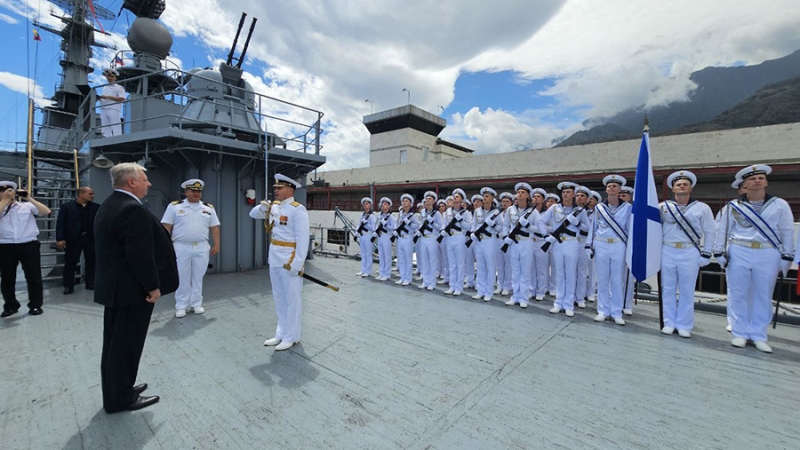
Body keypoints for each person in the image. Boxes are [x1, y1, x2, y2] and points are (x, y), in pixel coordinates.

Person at [94, 163, 178, 413]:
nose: (149, 184)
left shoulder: (109, 204)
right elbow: (139, 254)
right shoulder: (132, 209)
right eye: (144, 179)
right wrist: (152, 286)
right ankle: (120, 398)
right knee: (126, 346)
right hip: (132, 291)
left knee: (114, 344)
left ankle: (118, 389)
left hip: (116, 288)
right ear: (131, 182)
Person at [713, 164, 794, 353]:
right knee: (738, 292)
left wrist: (787, 255)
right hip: (740, 249)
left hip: (767, 251)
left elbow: (787, 231)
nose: (757, 181)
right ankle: (740, 332)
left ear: (766, 182)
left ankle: (759, 334)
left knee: (763, 294)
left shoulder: (779, 204)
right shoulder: (732, 207)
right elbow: (722, 231)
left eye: (760, 178)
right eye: (752, 179)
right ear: (745, 185)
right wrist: (719, 252)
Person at [249, 174, 310, 351]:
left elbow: (303, 240)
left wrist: (297, 264)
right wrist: (262, 207)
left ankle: (292, 336)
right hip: (274, 257)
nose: (275, 190)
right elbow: (253, 215)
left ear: (290, 190)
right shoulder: (274, 207)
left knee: (292, 299)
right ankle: (281, 332)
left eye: (279, 188)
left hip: (289, 260)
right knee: (279, 297)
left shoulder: (297, 210)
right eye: (275, 188)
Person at [658, 171, 716, 338]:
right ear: (673, 189)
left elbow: (710, 231)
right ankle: (669, 322)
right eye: (678, 184)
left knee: (687, 289)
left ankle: (684, 324)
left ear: (691, 188)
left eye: (685, 184)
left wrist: (707, 253)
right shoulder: (663, 207)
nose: (682, 186)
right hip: (667, 249)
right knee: (667, 288)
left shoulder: (702, 208)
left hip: (690, 250)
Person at [161, 179, 221, 318]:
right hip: (181, 247)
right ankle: (181, 305)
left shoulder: (208, 208)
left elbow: (214, 227)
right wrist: (166, 246)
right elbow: (166, 227)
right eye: (193, 191)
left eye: (199, 191)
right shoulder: (175, 207)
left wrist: (217, 244)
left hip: (201, 247)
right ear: (186, 192)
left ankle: (195, 303)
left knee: (198, 276)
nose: (196, 193)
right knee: (182, 276)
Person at [0, 181, 50, 317]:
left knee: (34, 277)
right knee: (7, 278)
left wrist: (28, 197)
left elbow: (46, 211)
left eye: (10, 191)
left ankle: (35, 305)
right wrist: (4, 200)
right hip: (6, 246)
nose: (7, 193)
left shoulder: (26, 206)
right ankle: (10, 305)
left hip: (28, 244)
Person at [587, 174, 632, 325]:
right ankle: (602, 310)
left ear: (620, 189)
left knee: (617, 279)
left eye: (615, 186)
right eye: (609, 186)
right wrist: (589, 245)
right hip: (601, 244)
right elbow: (593, 227)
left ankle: (616, 312)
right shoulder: (599, 207)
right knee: (603, 278)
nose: (611, 188)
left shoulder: (627, 208)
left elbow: (630, 229)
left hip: (619, 244)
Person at [540, 182, 589, 317]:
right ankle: (558, 302)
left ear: (573, 194)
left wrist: (577, 223)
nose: (565, 194)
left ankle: (568, 304)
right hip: (557, 243)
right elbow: (541, 221)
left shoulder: (580, 210)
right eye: (563, 192)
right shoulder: (555, 207)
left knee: (570, 273)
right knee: (559, 273)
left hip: (572, 243)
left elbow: (588, 228)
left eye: (568, 192)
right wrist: (545, 235)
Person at [504, 183, 549, 309]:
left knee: (525, 270)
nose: (520, 194)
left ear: (528, 196)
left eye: (523, 192)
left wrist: (529, 226)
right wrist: (504, 237)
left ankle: (523, 297)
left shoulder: (533, 211)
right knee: (515, 270)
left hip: (526, 241)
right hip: (513, 242)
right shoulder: (510, 209)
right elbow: (505, 225)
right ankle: (515, 296)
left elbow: (540, 228)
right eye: (518, 192)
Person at [56, 186, 100, 294]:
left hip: (90, 238)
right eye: (90, 194)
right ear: (81, 194)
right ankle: (68, 285)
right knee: (70, 262)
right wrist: (60, 238)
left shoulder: (97, 207)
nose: (92, 196)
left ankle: (90, 282)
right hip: (73, 239)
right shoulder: (67, 207)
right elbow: (60, 223)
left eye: (93, 194)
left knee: (92, 261)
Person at [471, 187, 502, 302]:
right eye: (484, 196)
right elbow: (474, 225)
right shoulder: (477, 211)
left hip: (490, 240)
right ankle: (480, 290)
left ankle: (489, 292)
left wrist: (493, 225)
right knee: (480, 266)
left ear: (492, 198)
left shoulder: (496, 213)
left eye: (487, 196)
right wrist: (473, 233)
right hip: (479, 240)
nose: (484, 198)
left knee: (490, 266)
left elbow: (501, 228)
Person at [443, 189, 471, 296]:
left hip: (460, 237)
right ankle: (452, 285)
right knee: (452, 263)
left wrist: (461, 221)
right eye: (454, 196)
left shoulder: (466, 213)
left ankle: (458, 287)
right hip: (450, 237)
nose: (455, 198)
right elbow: (444, 224)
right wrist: (443, 231)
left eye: (457, 197)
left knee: (460, 263)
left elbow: (469, 227)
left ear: (461, 200)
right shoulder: (448, 212)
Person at [416, 191, 442, 291]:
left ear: (434, 201)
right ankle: (425, 281)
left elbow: (440, 227)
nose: (427, 200)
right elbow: (421, 224)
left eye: (430, 199)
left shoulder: (437, 213)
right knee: (424, 260)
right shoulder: (423, 212)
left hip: (432, 237)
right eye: (426, 199)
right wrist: (419, 230)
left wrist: (433, 223)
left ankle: (432, 282)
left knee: (432, 260)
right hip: (423, 237)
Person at [393, 194, 419, 286]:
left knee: (408, 259)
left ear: (410, 204)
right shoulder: (400, 213)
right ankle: (402, 277)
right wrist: (395, 230)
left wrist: (410, 224)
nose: (404, 203)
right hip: (400, 237)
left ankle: (408, 278)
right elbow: (397, 223)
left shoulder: (412, 215)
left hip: (408, 237)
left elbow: (417, 226)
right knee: (401, 259)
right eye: (403, 201)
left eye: (406, 201)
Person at [619, 185, 636, 315]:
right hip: (616, 246)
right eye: (620, 195)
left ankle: (627, 305)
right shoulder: (612, 210)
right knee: (614, 277)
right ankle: (616, 303)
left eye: (624, 196)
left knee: (628, 278)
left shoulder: (633, 210)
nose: (621, 198)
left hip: (629, 246)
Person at [495, 192, 513, 296]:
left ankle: (507, 286)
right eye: (503, 201)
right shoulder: (497, 213)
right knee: (499, 265)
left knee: (508, 265)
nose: (504, 203)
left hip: (508, 240)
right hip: (498, 240)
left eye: (507, 201)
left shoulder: (513, 213)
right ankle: (499, 285)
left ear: (511, 203)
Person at [98, 68, 126, 137]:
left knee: (116, 127)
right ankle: (107, 142)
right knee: (105, 129)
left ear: (115, 78)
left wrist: (108, 97)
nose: (109, 78)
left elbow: (122, 99)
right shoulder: (104, 87)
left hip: (113, 109)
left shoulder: (119, 88)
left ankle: (118, 140)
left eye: (112, 76)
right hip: (104, 108)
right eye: (108, 76)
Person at [374, 197, 396, 281]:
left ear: (389, 206)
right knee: (381, 256)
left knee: (387, 256)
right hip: (380, 236)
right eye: (382, 204)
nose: (383, 206)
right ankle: (381, 272)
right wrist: (376, 230)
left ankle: (387, 274)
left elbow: (393, 228)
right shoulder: (379, 215)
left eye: (385, 204)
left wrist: (386, 225)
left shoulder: (391, 217)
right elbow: (376, 224)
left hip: (387, 236)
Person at [355, 197, 375, 277]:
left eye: (367, 204)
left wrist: (366, 223)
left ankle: (368, 271)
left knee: (368, 254)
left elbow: (373, 228)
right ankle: (363, 270)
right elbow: (359, 224)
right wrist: (356, 231)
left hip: (368, 235)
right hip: (362, 235)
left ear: (370, 205)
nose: (365, 205)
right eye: (364, 204)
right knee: (363, 254)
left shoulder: (372, 216)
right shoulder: (362, 215)